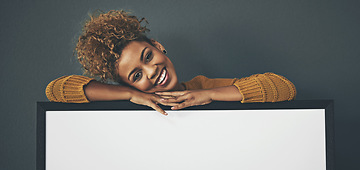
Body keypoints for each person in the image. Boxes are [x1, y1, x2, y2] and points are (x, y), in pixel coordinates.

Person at [46, 10, 297, 115]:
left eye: (148, 56)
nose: (151, 71)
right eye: (136, 75)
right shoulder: (130, 103)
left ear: (158, 46)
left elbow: (283, 88)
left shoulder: (203, 86)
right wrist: (130, 95)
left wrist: (207, 94)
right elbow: (56, 89)